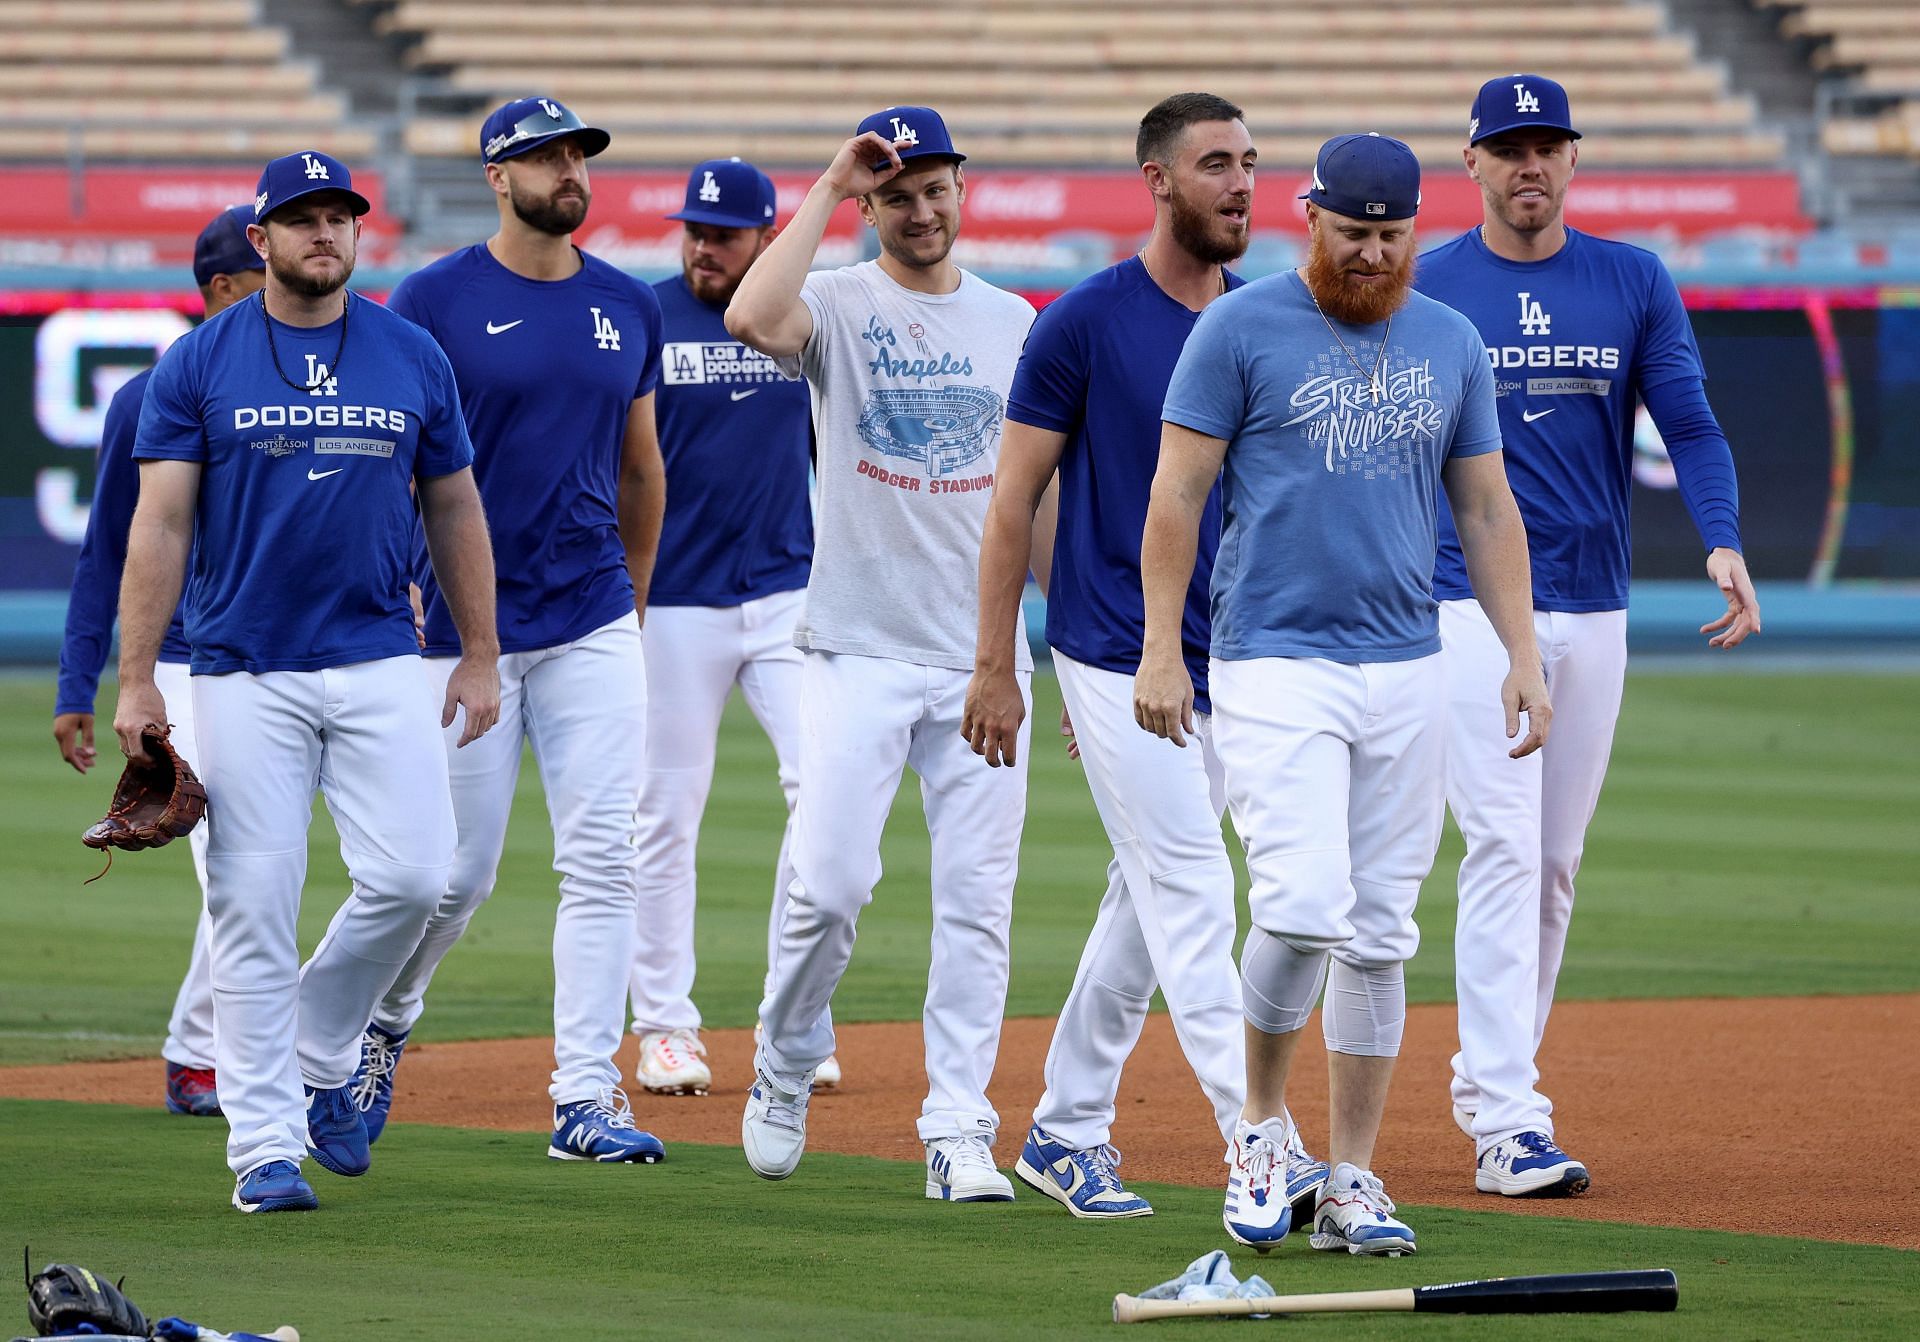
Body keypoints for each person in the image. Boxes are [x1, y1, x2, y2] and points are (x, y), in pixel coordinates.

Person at [1135, 132, 1549, 1256]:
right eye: (1353, 232)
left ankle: (1355, 1177)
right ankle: (1264, 1132)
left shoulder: (1451, 339)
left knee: (1379, 935)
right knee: (1306, 905)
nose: (1371, 254)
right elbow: (1177, 492)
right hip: (1272, 658)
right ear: (1308, 220)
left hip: (1409, 661)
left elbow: (1486, 509)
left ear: (1416, 228)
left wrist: (1520, 652)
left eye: (1392, 234)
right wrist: (1162, 647)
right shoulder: (1239, 327)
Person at [964, 92, 1327, 1223]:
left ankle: (1065, 1128)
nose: (1241, 183)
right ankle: (1263, 1142)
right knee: (1188, 886)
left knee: (1147, 890)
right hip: (1115, 645)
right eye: (1216, 162)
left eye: (1253, 163)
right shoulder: (1079, 322)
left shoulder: (1269, 316)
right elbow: (1013, 497)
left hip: (1244, 653)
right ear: (1158, 180)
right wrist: (1000, 666)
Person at [115, 149, 500, 1213]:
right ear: (261, 238)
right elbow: (161, 522)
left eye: (339, 216)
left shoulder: (412, 354)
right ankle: (265, 1151)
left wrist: (478, 647)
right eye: (301, 217)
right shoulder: (201, 362)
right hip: (243, 665)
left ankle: (324, 1047)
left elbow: (457, 506)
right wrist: (139, 679)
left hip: (381, 653)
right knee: (251, 903)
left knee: (421, 877)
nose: (324, 232)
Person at [1414, 74, 1757, 1197]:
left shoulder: (1632, 278)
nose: (1529, 165)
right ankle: (1511, 1117)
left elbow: (1691, 421)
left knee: (1554, 866)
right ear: (1471, 163)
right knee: (1507, 848)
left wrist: (1721, 537)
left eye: (1546, 145)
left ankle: (1492, 1083)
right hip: (1461, 602)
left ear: (1574, 159)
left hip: (1593, 598)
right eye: (1508, 147)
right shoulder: (1427, 281)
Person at [349, 97, 670, 1164]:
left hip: (589, 619)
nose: (569, 169)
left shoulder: (626, 304)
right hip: (456, 626)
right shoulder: (432, 298)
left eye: (579, 151)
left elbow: (640, 463)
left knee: (605, 860)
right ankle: (382, 1025)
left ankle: (586, 1097)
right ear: (497, 175)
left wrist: (630, 591)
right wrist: (398, 582)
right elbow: (390, 455)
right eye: (546, 155)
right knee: (453, 872)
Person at [727, 106, 1036, 1200]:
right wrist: (828, 182)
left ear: (963, 190)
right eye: (896, 191)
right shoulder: (844, 304)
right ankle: (786, 1052)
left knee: (977, 900)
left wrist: (1059, 652)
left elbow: (1030, 496)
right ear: (870, 205)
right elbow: (751, 313)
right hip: (855, 643)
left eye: (935, 186)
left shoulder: (1013, 320)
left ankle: (958, 1123)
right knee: (832, 883)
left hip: (981, 658)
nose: (920, 207)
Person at [626, 157, 838, 1098]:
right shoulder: (645, 316)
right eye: (694, 230)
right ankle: (665, 1028)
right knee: (665, 817)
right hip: (672, 601)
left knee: (825, 796)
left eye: (724, 233)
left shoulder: (797, 320)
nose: (703, 246)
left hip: (788, 592)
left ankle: (794, 1017)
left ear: (765, 237)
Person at [55, 205, 266, 1120]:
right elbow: (107, 549)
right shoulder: (153, 395)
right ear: (223, 287)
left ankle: (201, 1044)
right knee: (238, 864)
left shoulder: (305, 383)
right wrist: (78, 684)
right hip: (182, 659)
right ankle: (203, 1057)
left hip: (284, 655)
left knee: (269, 865)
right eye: (261, 267)